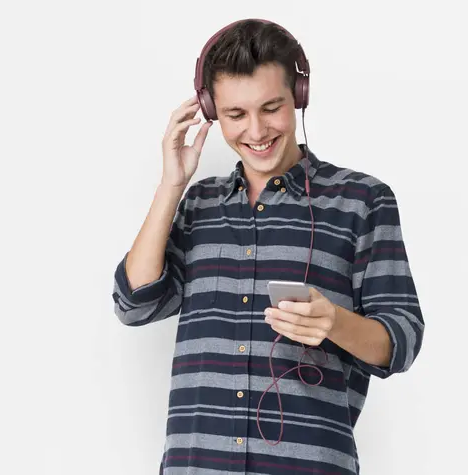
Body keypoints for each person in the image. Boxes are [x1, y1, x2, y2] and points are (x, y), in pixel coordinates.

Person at [112, 18, 425, 475]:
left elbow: (402, 338)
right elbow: (134, 303)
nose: (256, 131)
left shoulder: (361, 201)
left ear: (298, 98)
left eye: (272, 107)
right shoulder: (198, 204)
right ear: (212, 110)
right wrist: (171, 184)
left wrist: (334, 322)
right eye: (236, 115)